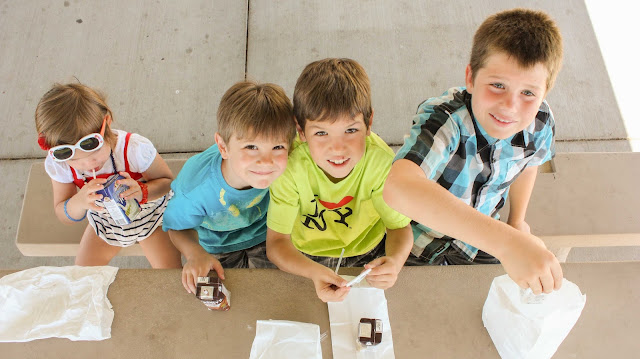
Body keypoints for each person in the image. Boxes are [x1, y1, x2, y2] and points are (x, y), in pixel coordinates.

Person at [383, 8, 564, 294]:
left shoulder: (541, 122)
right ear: (470, 78)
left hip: (481, 242)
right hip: (419, 241)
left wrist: (516, 222)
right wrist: (508, 243)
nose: (510, 106)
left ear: (544, 93)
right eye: (497, 85)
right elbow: (398, 188)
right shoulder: (444, 118)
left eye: (528, 93)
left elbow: (529, 164)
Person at [266, 58, 413, 302]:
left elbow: (399, 227)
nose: (337, 149)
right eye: (321, 133)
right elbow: (277, 243)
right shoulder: (289, 166)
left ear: (369, 123)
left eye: (351, 130)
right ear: (300, 131)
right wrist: (314, 273)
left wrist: (395, 262)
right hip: (305, 253)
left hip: (367, 250)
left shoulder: (380, 163)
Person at [163, 81, 296, 294]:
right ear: (223, 147)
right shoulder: (196, 188)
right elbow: (177, 228)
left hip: (268, 234)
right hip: (217, 246)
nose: (266, 161)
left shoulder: (292, 166)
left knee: (276, 293)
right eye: (251, 147)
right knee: (230, 299)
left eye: (277, 146)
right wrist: (194, 254)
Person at [35, 83, 181, 268]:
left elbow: (168, 183)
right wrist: (79, 202)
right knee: (83, 276)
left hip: (152, 217)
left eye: (94, 153)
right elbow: (62, 212)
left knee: (168, 274)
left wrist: (143, 190)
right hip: (105, 222)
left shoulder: (133, 149)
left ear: (107, 123)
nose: (88, 164)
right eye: (77, 161)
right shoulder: (61, 164)